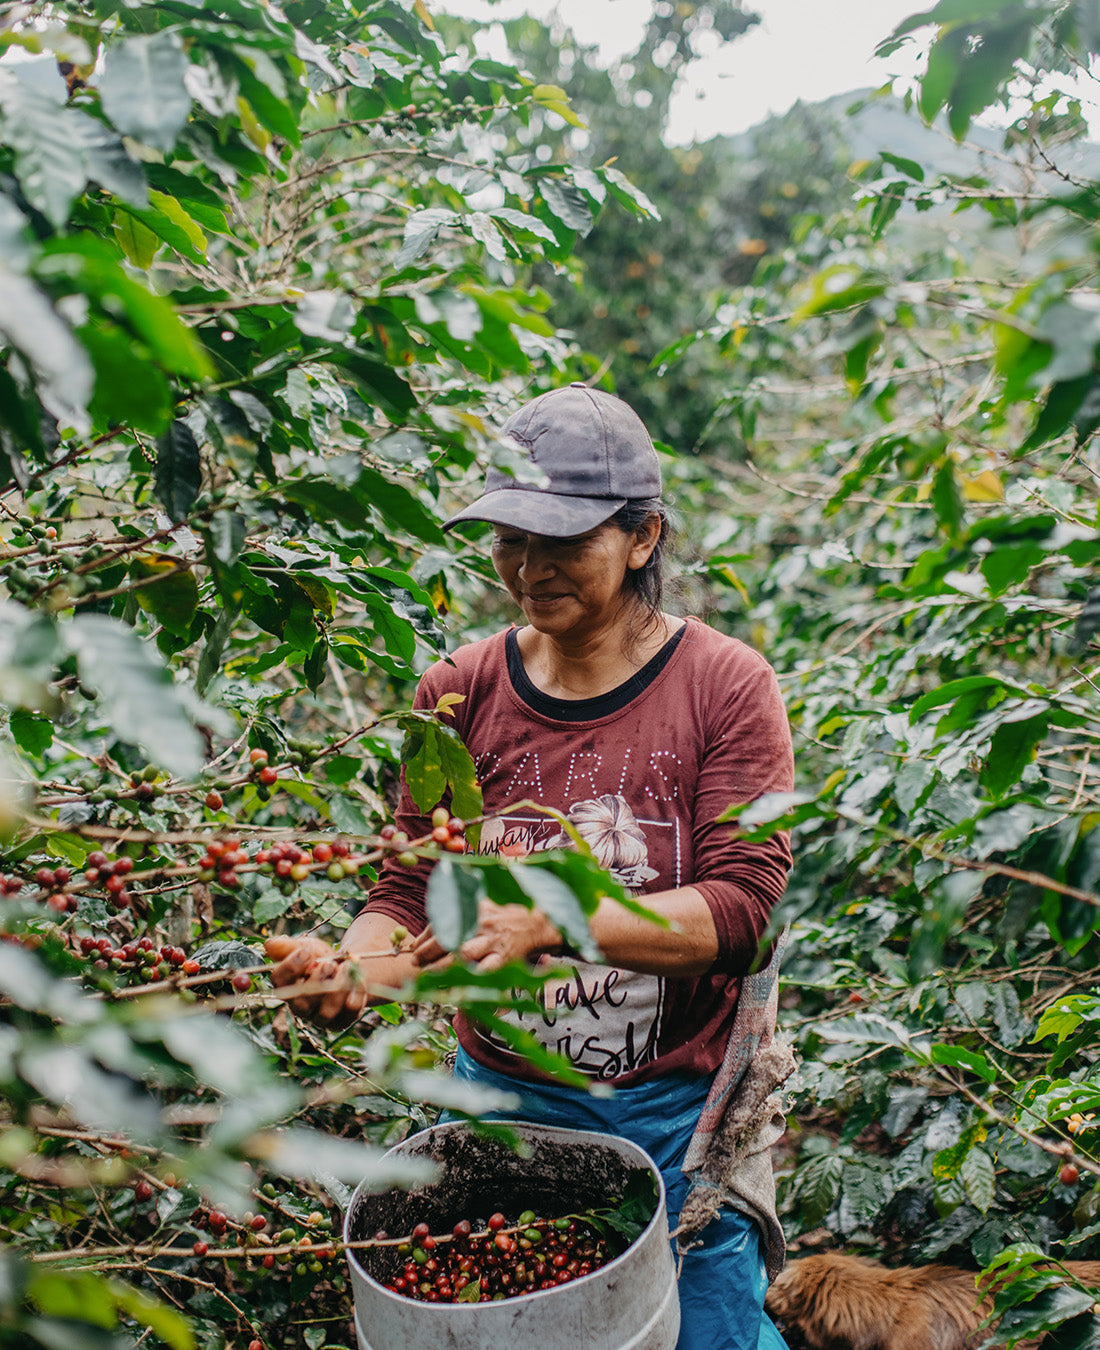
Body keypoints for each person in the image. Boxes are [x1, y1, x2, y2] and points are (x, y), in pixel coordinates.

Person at [267, 383, 794, 1348]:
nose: (527, 565)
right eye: (510, 536)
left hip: (675, 1113)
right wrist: (353, 973)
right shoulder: (460, 692)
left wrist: (561, 917)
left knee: (707, 1330)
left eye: (562, 540)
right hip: (504, 1108)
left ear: (644, 537)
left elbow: (743, 913)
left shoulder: (724, 686)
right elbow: (409, 888)